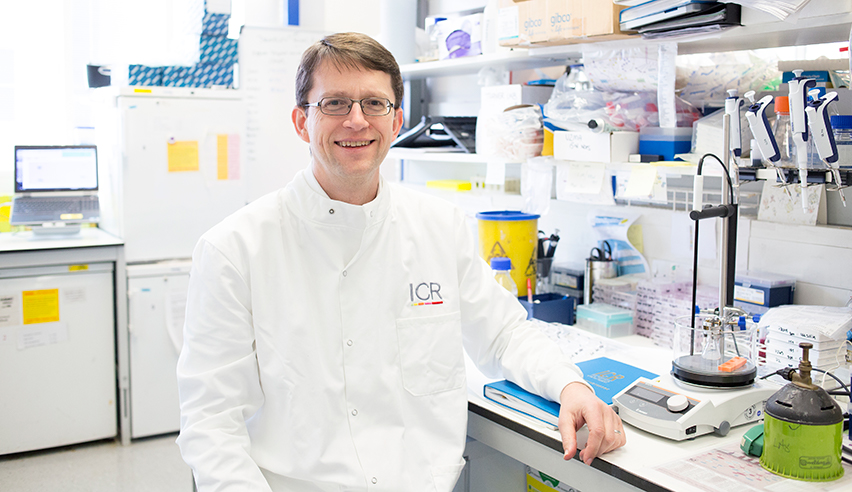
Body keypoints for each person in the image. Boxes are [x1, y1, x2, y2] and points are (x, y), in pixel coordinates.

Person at [176, 32, 625, 492]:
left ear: (397, 122)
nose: (356, 121)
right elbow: (210, 424)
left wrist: (572, 387)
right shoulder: (234, 250)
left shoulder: (438, 228)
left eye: (374, 104)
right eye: (334, 104)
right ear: (300, 121)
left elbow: (504, 334)